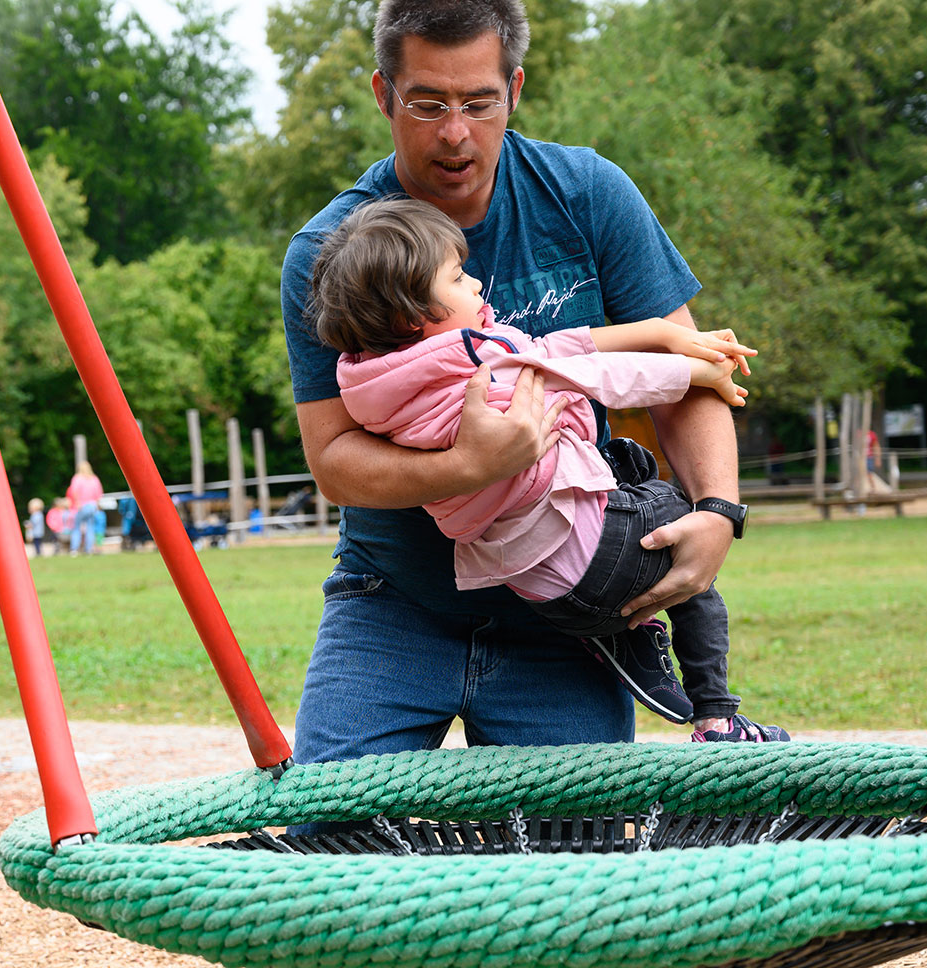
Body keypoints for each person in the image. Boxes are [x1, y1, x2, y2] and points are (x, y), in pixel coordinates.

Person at [280, 0, 752, 780]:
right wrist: (468, 467)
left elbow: (687, 372)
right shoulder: (334, 252)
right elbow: (333, 459)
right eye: (427, 103)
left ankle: (715, 711)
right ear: (382, 93)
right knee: (330, 844)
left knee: (575, 871)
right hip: (396, 600)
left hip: (567, 612)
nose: (455, 132)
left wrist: (717, 514)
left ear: (516, 90)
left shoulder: (587, 193)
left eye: (479, 103)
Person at [313, 197, 787, 740]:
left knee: (624, 471)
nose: (476, 286)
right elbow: (594, 374)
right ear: (414, 316)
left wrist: (658, 330)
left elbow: (548, 348)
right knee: (680, 532)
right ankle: (716, 716)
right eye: (459, 277)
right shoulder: (483, 374)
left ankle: (621, 636)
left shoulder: (384, 384)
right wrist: (691, 373)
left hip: (544, 593)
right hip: (598, 556)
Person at [66, 460, 104, 555]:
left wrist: (77, 503)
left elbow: (74, 491)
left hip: (82, 506)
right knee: (90, 527)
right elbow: (99, 494)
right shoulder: (94, 479)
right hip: (92, 506)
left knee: (77, 527)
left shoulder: (77, 478)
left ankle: (74, 549)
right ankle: (89, 549)